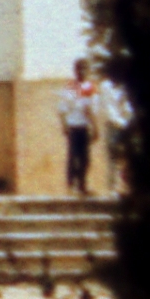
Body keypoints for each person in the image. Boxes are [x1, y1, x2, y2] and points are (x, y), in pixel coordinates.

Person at [60, 59, 103, 198]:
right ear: (75, 71)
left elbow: (92, 110)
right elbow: (62, 108)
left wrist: (95, 127)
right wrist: (64, 125)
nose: (82, 72)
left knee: (85, 158)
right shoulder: (70, 87)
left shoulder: (91, 87)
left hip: (85, 126)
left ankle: (82, 185)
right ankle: (71, 184)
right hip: (73, 125)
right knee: (73, 156)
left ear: (88, 70)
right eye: (79, 69)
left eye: (85, 69)